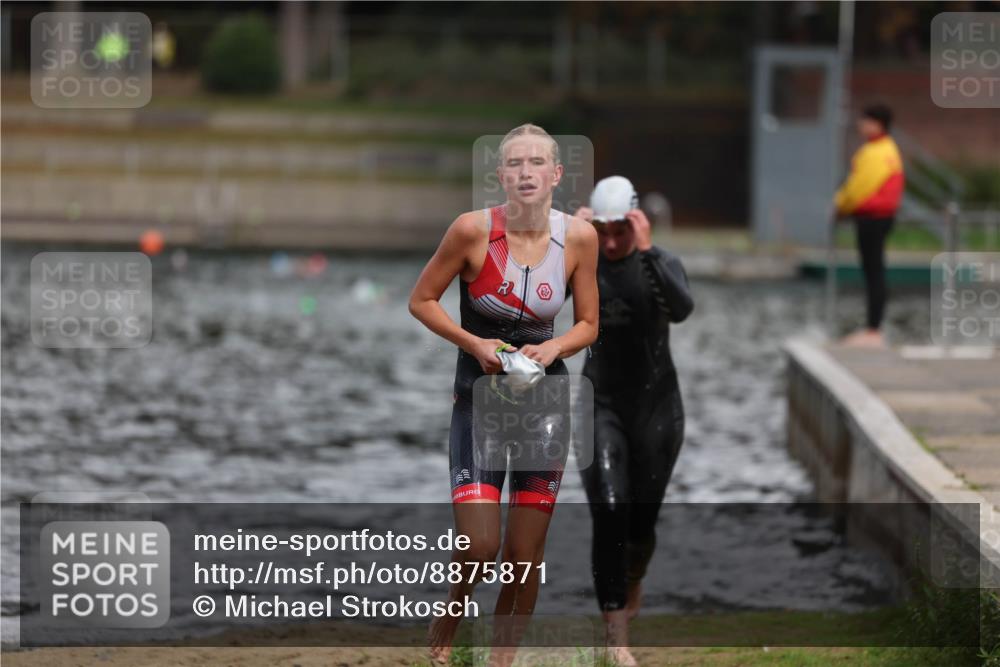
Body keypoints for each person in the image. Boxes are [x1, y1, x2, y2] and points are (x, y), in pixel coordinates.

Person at [409, 123, 599, 667]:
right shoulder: (471, 232)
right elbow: (421, 300)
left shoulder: (577, 240)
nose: (526, 172)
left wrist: (555, 347)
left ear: (556, 174)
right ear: (500, 176)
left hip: (545, 406)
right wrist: (473, 343)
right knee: (480, 546)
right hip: (478, 401)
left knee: (523, 556)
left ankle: (501, 661)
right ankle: (448, 621)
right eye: (515, 164)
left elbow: (589, 322)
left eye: (537, 163)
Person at [575, 176, 693, 667]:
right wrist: (566, 241)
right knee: (608, 509)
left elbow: (681, 309)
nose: (610, 241)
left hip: (656, 409)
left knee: (640, 524)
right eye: (602, 230)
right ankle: (616, 639)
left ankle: (635, 574)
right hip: (598, 404)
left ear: (637, 223)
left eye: (620, 230)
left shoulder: (659, 262)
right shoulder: (580, 259)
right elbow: (536, 303)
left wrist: (646, 251)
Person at [833, 104, 904, 347]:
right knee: (874, 271)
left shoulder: (876, 152)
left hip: (873, 218)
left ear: (878, 124)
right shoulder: (886, 149)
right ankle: (873, 328)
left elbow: (858, 188)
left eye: (865, 121)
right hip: (878, 217)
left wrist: (839, 206)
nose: (860, 125)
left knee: (874, 272)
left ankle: (873, 330)